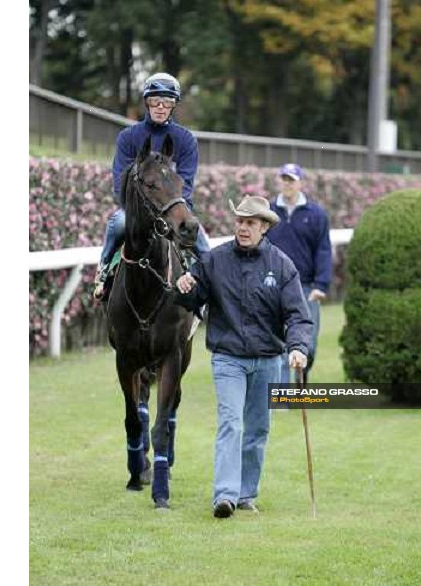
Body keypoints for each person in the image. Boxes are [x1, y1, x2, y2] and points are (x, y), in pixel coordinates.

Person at [175, 195, 313, 518]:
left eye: (250, 223)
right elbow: (193, 299)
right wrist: (184, 287)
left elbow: (298, 316)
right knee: (231, 424)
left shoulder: (282, 266)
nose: (242, 228)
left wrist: (298, 347)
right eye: (239, 221)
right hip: (228, 359)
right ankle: (224, 496)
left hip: (268, 361)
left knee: (258, 430)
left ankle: (246, 494)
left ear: (264, 227)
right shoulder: (214, 260)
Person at [94, 72, 210, 300]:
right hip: (137, 210)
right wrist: (140, 211)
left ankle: (213, 288)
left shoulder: (186, 139)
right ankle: (104, 270)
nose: (160, 106)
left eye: (167, 102)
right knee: (118, 223)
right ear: (147, 102)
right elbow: (120, 182)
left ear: (173, 105)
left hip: (174, 207)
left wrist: (167, 210)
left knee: (203, 245)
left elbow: (185, 183)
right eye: (155, 100)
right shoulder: (128, 137)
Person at [266, 163, 332, 384]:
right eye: (284, 179)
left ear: (300, 183)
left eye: (291, 180)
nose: (287, 184)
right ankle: (282, 395)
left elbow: (323, 249)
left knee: (308, 344)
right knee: (281, 342)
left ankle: (302, 376)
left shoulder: (316, 214)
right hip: (274, 285)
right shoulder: (268, 211)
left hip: (306, 287)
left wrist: (321, 285)